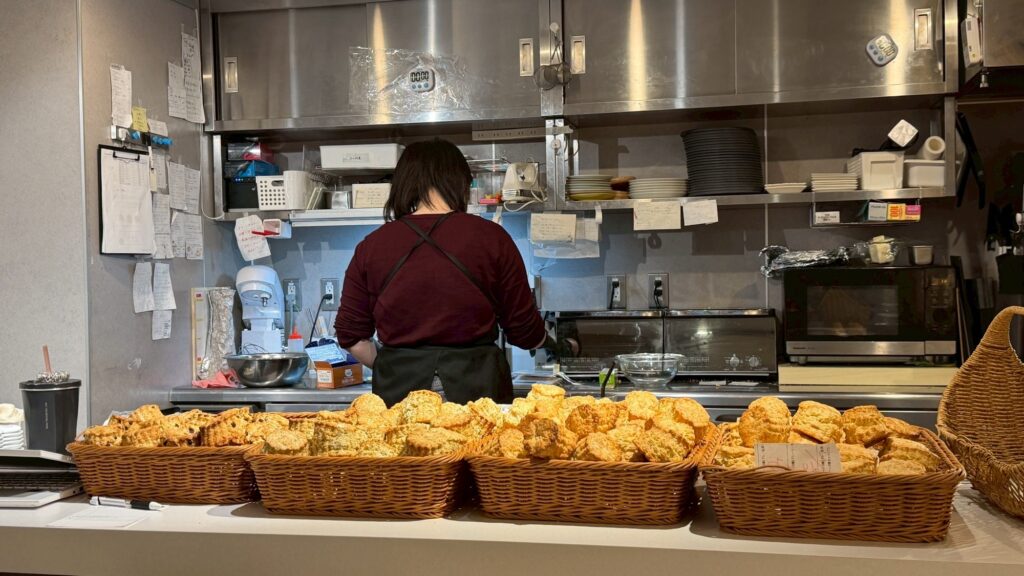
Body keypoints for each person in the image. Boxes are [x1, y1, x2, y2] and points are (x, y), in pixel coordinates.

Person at [334, 139, 553, 405]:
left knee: (410, 448)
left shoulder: (372, 245)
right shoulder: (492, 238)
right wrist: (553, 343)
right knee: (478, 448)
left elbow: (350, 336)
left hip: (400, 396)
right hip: (477, 394)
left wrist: (392, 363)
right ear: (461, 182)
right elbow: (525, 332)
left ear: (403, 183)